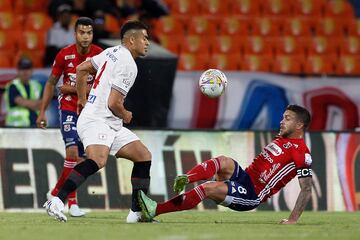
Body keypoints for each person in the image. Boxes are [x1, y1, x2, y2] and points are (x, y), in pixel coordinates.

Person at [43, 20, 151, 223]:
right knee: (97, 160)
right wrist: (126, 113)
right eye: (144, 38)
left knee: (143, 156)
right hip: (98, 120)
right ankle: (56, 200)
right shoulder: (129, 64)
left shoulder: (112, 52)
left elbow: (82, 69)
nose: (147, 42)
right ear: (131, 39)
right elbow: (113, 103)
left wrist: (84, 101)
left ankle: (136, 213)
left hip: (106, 121)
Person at [138, 105, 313, 225]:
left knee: (208, 188)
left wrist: (293, 219)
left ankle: (155, 210)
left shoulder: (302, 153)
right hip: (245, 177)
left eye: (287, 119)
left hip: (252, 194)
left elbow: (306, 188)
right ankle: (188, 177)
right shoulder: (282, 139)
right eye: (283, 117)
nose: (282, 121)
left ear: (299, 125)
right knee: (224, 160)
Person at [37, 17, 103, 217]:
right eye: (82, 32)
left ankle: (70, 201)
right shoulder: (64, 54)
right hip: (68, 109)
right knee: (73, 152)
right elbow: (51, 83)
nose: (85, 36)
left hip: (89, 112)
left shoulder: (99, 55)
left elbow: (101, 86)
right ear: (75, 34)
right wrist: (42, 111)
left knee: (82, 158)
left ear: (92, 34)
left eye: (89, 32)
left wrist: (71, 88)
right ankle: (57, 195)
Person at [4, 58, 42, 127]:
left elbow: (45, 105)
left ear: (32, 70)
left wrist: (29, 103)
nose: (25, 72)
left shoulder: (37, 85)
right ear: (17, 71)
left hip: (35, 126)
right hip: (15, 127)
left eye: (28, 69)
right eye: (22, 69)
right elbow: (22, 102)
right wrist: (37, 104)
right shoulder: (12, 86)